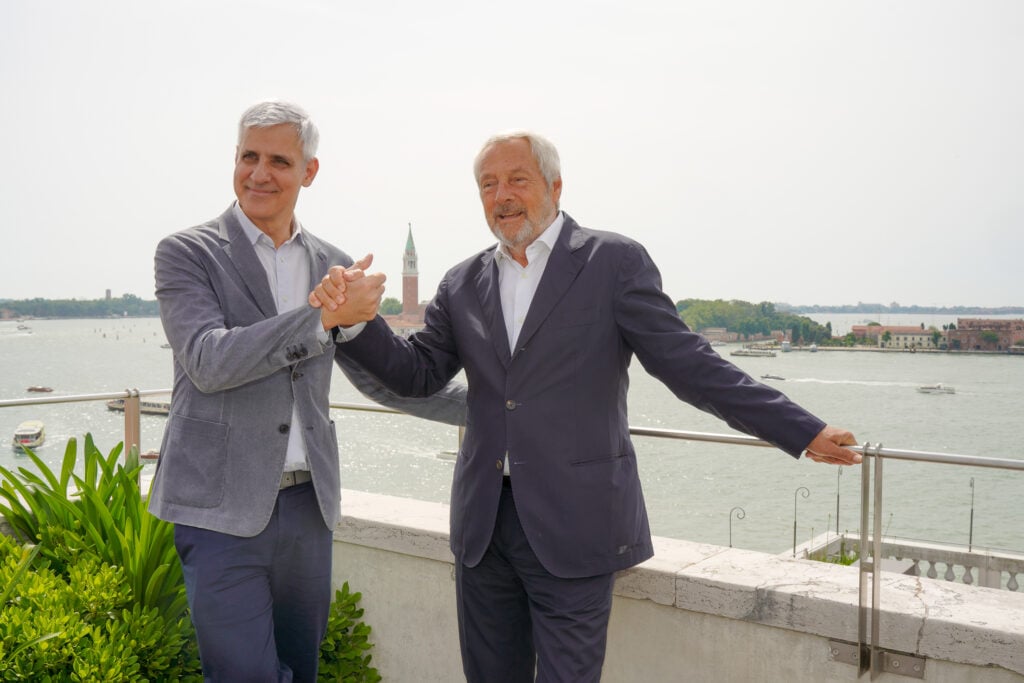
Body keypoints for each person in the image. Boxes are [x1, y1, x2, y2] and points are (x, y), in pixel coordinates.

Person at [313, 131, 861, 683]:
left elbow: (689, 364)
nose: (502, 195)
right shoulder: (461, 282)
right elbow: (416, 374)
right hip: (483, 527)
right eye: (488, 184)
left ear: (555, 185)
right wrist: (357, 321)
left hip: (577, 523)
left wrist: (799, 429)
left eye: (516, 179)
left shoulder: (612, 262)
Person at [149, 101, 466, 682]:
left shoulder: (333, 265)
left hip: (307, 509)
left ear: (308, 172)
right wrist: (320, 318)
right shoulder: (186, 253)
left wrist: (500, 407)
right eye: (249, 156)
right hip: (217, 510)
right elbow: (207, 360)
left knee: (301, 669)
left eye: (278, 160)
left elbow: (384, 379)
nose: (259, 173)